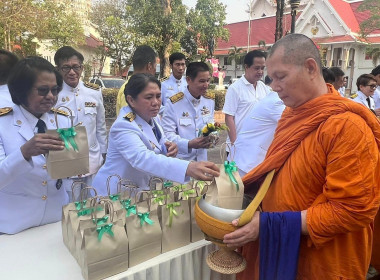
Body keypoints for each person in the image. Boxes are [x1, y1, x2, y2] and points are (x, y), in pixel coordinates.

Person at [223, 34, 380, 280]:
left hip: (320, 261)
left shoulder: (347, 126)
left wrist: (268, 226)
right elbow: (276, 170)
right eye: (271, 78)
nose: (273, 86)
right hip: (280, 252)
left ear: (310, 67)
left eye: (280, 76)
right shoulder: (291, 114)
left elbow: (353, 210)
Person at [92, 74, 220, 196]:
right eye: (148, 97)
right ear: (131, 100)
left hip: (137, 191)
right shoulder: (123, 126)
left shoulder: (153, 118)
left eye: (158, 96)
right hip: (113, 194)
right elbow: (142, 158)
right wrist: (187, 167)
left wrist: (170, 147)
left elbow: (160, 143)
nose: (156, 102)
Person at [0, 56, 72, 234]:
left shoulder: (62, 120)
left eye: (55, 90)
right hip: (14, 225)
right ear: (21, 90)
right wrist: (24, 153)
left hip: (56, 219)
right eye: (42, 90)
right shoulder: (3, 123)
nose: (50, 97)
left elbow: (67, 172)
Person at [54, 46, 107, 190]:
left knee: (93, 207)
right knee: (69, 208)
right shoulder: (53, 95)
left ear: (82, 68)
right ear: (58, 69)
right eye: (66, 68)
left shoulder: (94, 92)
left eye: (76, 67)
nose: (72, 72)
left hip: (93, 162)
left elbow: (100, 127)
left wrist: (103, 154)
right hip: (66, 164)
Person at [161, 62, 214, 162]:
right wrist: (189, 144)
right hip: (181, 162)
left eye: (208, 80)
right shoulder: (174, 103)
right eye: (202, 81)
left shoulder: (209, 100)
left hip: (202, 160)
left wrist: (213, 136)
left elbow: (210, 124)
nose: (206, 85)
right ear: (188, 80)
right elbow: (167, 135)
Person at [232, 91, 285, 177]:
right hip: (248, 162)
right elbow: (296, 124)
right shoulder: (276, 103)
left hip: (246, 158)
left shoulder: (273, 99)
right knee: (241, 189)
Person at [223, 50, 269, 145]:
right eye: (256, 68)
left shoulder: (264, 88)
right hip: (239, 144)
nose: (260, 72)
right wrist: (235, 143)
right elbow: (229, 117)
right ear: (246, 67)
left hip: (257, 144)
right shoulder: (235, 88)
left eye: (262, 68)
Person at [115, 45, 158, 116]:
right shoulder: (130, 90)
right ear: (149, 66)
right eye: (155, 67)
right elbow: (129, 122)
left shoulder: (133, 87)